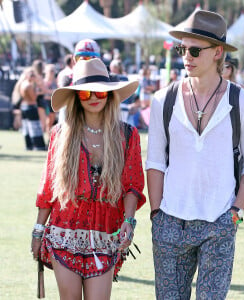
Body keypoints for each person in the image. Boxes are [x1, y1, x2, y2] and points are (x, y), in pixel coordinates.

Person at [146, 10, 244, 299]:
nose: (187, 56)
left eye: (195, 50)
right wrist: (157, 214)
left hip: (219, 222)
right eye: (182, 49)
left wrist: (234, 214)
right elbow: (155, 162)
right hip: (170, 223)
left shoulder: (243, 103)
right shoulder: (163, 99)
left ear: (218, 52)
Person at [31, 58, 146, 299]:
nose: (93, 97)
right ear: (75, 98)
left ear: (110, 95)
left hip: (106, 234)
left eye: (100, 92)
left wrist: (129, 221)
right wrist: (38, 231)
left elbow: (133, 185)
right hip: (64, 231)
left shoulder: (127, 135)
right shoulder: (61, 134)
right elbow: (48, 188)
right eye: (85, 93)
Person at [57, 39, 101, 124]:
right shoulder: (68, 80)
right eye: (80, 58)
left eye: (89, 58)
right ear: (74, 59)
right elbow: (64, 117)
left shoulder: (107, 79)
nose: (84, 61)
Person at [18, 67, 46, 150]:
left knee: (27, 128)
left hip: (24, 107)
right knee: (35, 127)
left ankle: (29, 145)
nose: (33, 76)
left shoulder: (22, 83)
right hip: (31, 106)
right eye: (31, 74)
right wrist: (38, 92)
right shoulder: (29, 85)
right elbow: (33, 98)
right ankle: (38, 146)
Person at [43, 64, 57, 137]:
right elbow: (44, 91)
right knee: (49, 120)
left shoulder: (56, 81)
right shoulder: (44, 81)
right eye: (50, 71)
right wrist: (53, 91)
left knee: (52, 120)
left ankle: (50, 136)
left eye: (53, 71)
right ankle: (48, 136)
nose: (52, 73)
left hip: (53, 102)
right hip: (47, 103)